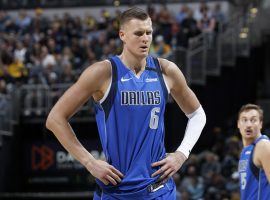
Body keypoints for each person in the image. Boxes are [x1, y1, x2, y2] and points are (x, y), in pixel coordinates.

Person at [46, 7, 206, 199]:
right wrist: (89, 162)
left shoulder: (166, 70)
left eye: (149, 33)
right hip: (116, 189)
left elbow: (198, 114)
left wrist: (181, 154)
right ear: (122, 35)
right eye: (138, 33)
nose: (145, 38)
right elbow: (55, 119)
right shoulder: (103, 72)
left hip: (159, 189)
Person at [237, 104, 270, 200]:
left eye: (253, 120)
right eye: (244, 120)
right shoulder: (245, 151)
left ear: (260, 124)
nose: (248, 125)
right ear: (238, 124)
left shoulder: (263, 146)